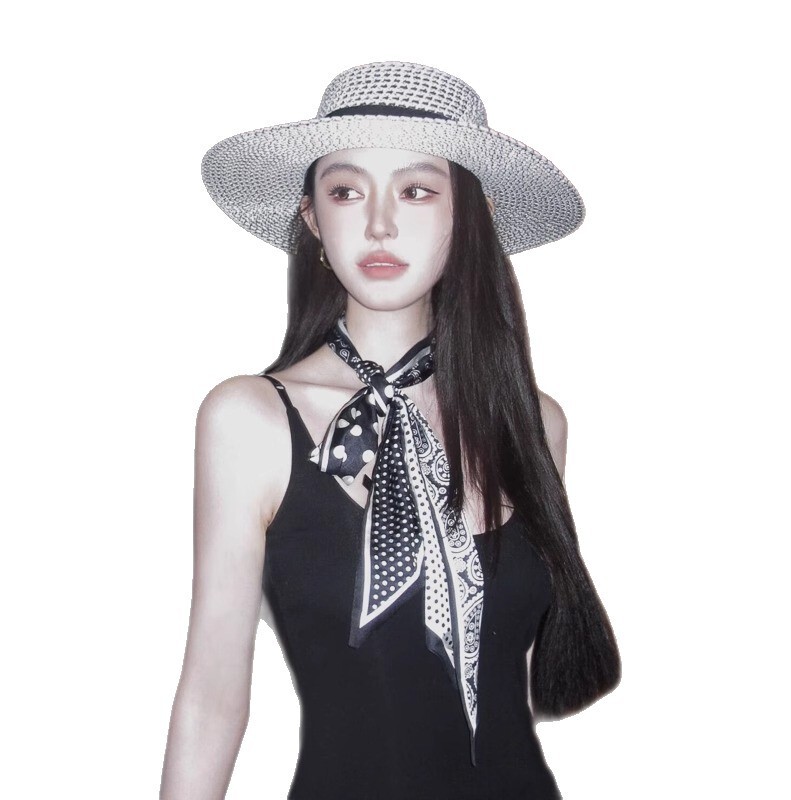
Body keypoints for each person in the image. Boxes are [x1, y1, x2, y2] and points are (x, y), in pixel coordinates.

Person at [160, 61, 621, 800]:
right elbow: (212, 697)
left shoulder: (534, 424)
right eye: (346, 191)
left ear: (472, 215)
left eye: (416, 191)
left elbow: (511, 679)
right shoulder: (251, 421)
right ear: (312, 218)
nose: (379, 223)